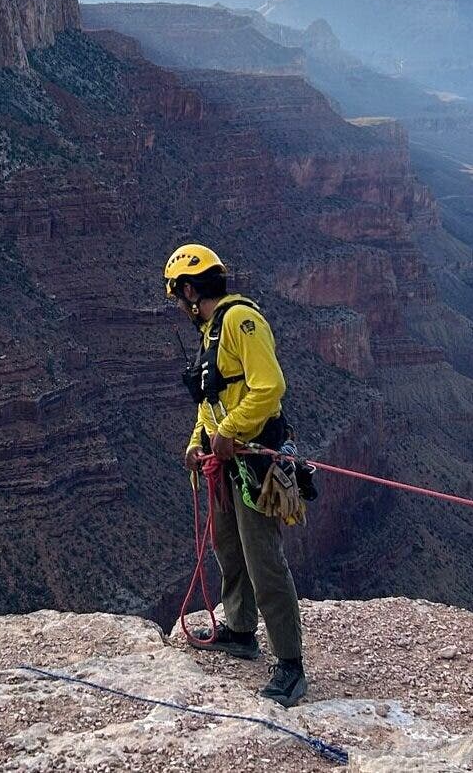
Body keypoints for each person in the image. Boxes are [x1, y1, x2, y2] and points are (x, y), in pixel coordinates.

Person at [165, 243, 310, 707]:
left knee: (262, 557)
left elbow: (270, 387)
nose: (178, 306)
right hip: (225, 462)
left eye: (177, 296)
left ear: (190, 290)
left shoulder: (240, 323)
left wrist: (228, 432)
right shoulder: (210, 331)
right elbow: (212, 404)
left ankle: (290, 665)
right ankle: (241, 630)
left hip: (256, 461)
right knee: (228, 547)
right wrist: (198, 442)